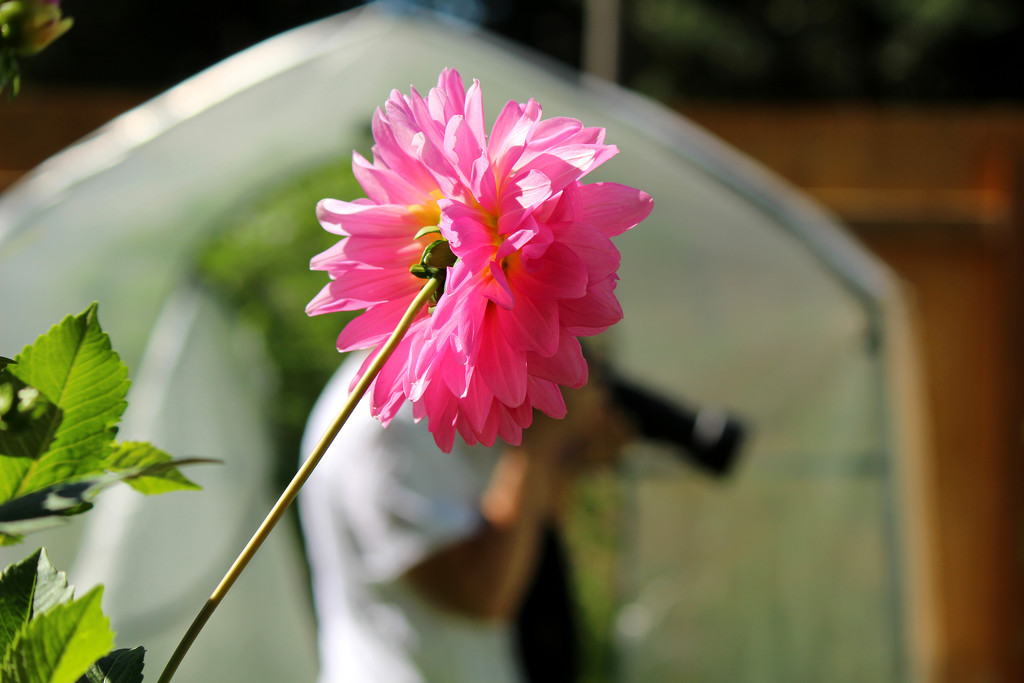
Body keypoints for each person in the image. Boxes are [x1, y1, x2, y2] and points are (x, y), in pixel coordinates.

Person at [298, 351, 633, 683]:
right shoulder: (390, 424)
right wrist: (538, 445)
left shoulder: (452, 376)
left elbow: (531, 537)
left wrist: (566, 457)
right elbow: (480, 594)